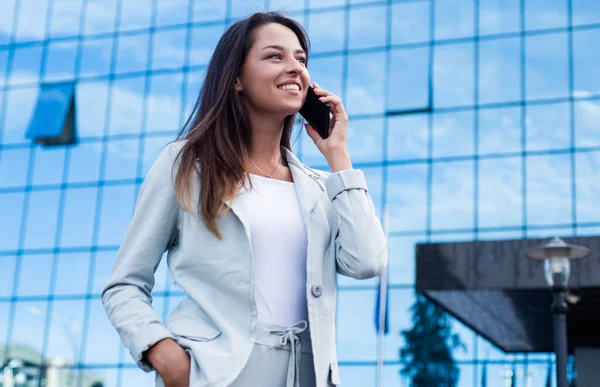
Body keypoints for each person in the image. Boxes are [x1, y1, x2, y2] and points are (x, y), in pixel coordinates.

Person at [101, 11, 387, 387]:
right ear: (236, 78)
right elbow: (124, 284)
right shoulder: (187, 165)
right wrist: (164, 354)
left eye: (300, 59)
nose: (294, 68)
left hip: (306, 372)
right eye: (275, 56)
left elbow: (366, 261)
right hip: (215, 371)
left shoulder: (319, 186)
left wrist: (338, 156)